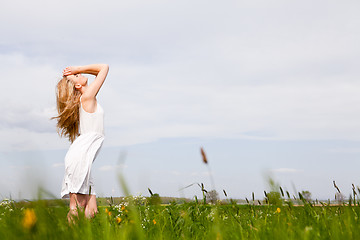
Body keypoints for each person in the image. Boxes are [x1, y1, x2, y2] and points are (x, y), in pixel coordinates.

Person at [53, 64, 109, 221]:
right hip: (80, 157)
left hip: (85, 158)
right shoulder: (87, 97)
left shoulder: (87, 98)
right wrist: (77, 69)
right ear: (78, 85)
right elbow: (104, 68)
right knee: (77, 206)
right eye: (77, 76)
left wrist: (76, 73)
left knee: (92, 210)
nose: (79, 74)